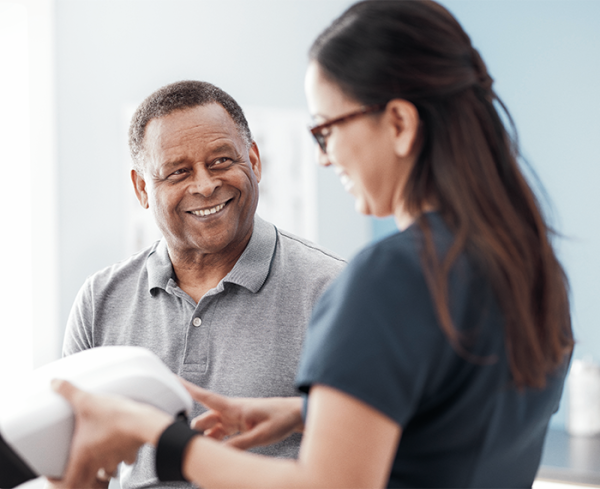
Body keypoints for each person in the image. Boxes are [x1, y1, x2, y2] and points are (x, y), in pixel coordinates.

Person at [52, 1, 574, 487]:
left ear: (398, 124)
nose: (324, 157)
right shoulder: (529, 267)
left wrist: (160, 439)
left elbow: (330, 485)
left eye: (326, 130)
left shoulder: (388, 277)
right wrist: (307, 413)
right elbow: (454, 429)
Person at [60, 80, 345, 488]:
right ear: (142, 188)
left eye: (221, 161)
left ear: (254, 161)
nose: (205, 185)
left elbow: (360, 463)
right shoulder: (99, 299)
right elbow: (77, 463)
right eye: (178, 172)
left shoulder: (333, 290)